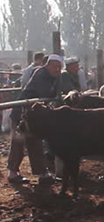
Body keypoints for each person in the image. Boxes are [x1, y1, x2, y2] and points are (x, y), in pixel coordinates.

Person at [7, 55, 63, 184]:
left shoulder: (53, 76)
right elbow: (45, 93)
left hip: (34, 115)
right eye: (55, 66)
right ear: (47, 65)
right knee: (18, 143)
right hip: (22, 113)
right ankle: (12, 173)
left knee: (35, 142)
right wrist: (56, 94)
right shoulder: (41, 74)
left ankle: (42, 173)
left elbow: (55, 92)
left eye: (59, 67)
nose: (57, 69)